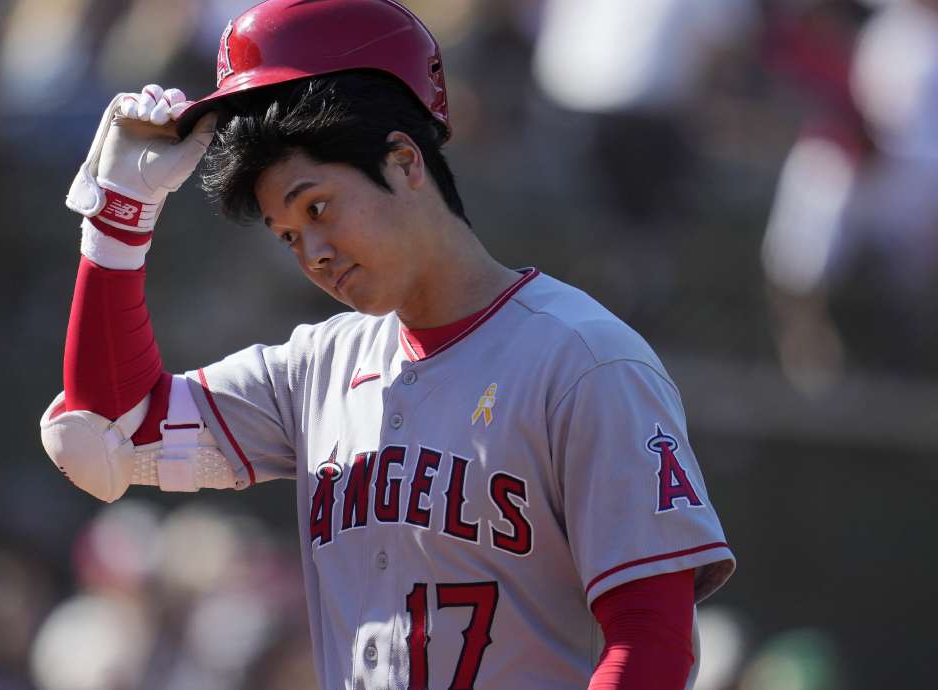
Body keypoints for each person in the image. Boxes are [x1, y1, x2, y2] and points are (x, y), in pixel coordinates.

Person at [39, 1, 735, 688]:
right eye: (287, 235)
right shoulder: (316, 369)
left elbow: (653, 642)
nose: (312, 252)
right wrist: (118, 222)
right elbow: (105, 434)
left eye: (317, 207)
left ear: (404, 162)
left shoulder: (583, 361)